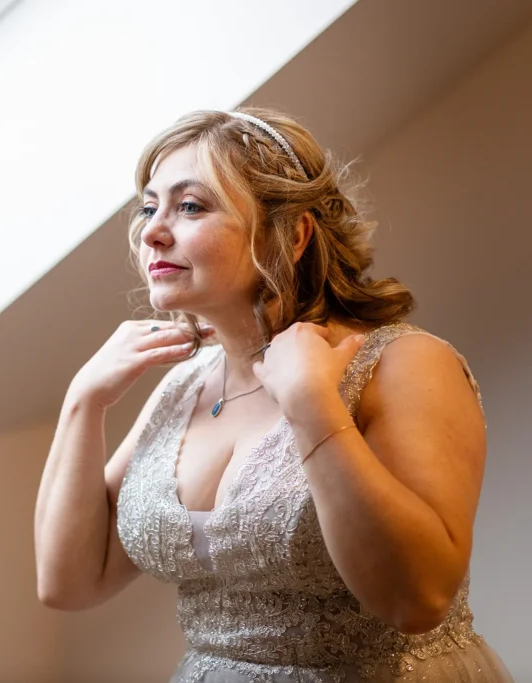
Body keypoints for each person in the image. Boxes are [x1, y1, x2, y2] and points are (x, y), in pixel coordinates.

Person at [34, 108, 513, 682]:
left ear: (293, 232)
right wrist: (83, 402)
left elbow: (417, 601)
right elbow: (69, 583)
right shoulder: (182, 386)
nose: (151, 231)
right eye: (148, 206)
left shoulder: (404, 363)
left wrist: (312, 403)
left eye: (190, 206)